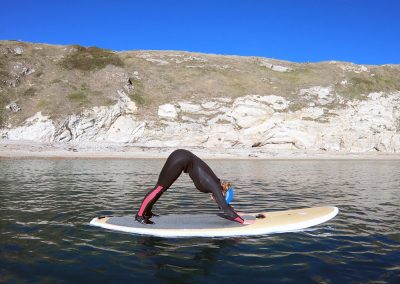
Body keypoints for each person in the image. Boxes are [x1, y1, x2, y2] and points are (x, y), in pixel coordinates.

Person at [135, 149, 253, 225]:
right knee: (159, 188)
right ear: (222, 192)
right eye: (223, 197)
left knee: (161, 189)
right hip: (181, 159)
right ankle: (140, 216)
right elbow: (224, 207)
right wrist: (242, 221)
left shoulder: (217, 184)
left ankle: (148, 212)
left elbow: (223, 204)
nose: (216, 200)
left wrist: (236, 212)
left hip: (182, 157)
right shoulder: (215, 186)